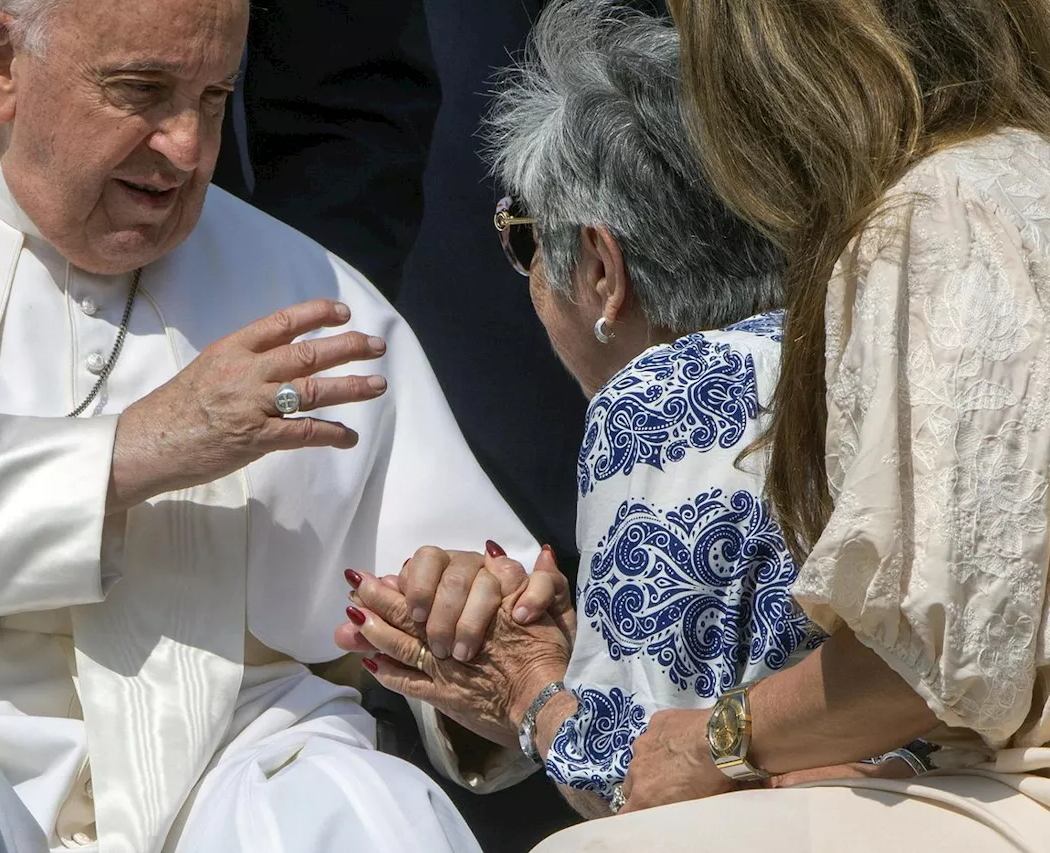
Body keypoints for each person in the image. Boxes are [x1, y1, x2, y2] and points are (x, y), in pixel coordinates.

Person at [0, 0, 543, 850]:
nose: (187, 149)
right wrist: (124, 454)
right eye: (143, 90)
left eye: (215, 99)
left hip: (218, 762)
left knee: (359, 805)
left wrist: (480, 625)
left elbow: (463, 601)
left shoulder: (298, 282)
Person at [390, 0, 1050, 849]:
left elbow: (640, 783)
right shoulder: (992, 190)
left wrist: (529, 687)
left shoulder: (669, 392)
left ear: (601, 267)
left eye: (523, 240)